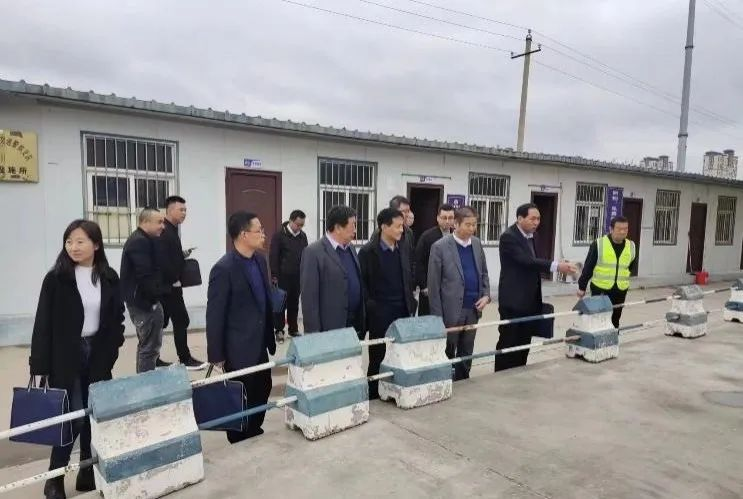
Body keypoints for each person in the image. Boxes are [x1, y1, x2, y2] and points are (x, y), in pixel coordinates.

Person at [30, 220, 125, 498]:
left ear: (96, 244)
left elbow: (117, 316)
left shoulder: (109, 276)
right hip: (65, 355)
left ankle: (87, 471)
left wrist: (113, 347)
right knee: (71, 418)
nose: (73, 247)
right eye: (69, 241)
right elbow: (42, 323)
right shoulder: (56, 279)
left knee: (93, 416)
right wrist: (39, 365)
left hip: (98, 353)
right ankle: (54, 478)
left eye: (80, 241)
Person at [206, 211, 276, 443]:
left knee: (263, 387)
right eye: (259, 230)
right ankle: (238, 439)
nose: (263, 234)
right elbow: (215, 315)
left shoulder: (260, 260)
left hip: (260, 342)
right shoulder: (224, 268)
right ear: (244, 235)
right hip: (238, 347)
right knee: (239, 396)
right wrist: (216, 354)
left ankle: (254, 431)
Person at [495, 203, 577, 371]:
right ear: (520, 218)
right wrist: (556, 266)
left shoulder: (534, 236)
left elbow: (536, 262)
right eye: (532, 219)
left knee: (525, 340)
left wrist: (559, 263)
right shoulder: (508, 237)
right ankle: (502, 375)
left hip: (531, 299)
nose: (536, 222)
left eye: (538, 219)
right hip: (513, 300)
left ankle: (519, 372)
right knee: (509, 340)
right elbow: (527, 261)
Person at [358, 208, 416, 399]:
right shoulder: (368, 252)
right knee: (378, 356)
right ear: (384, 227)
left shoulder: (403, 249)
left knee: (399, 355)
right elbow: (362, 285)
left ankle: (395, 390)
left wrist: (411, 302)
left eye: (402, 226)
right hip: (379, 314)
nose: (402, 230)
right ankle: (373, 394)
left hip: (402, 310)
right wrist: (372, 307)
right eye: (398, 226)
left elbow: (408, 277)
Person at [428, 206, 490, 381]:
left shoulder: (476, 244)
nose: (472, 229)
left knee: (467, 351)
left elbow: (484, 273)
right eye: (468, 225)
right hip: (451, 311)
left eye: (474, 225)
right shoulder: (440, 247)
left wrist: (486, 295)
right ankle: (444, 383)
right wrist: (438, 318)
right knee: (447, 351)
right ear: (456, 224)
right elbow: (433, 286)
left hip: (473, 309)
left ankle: (463, 381)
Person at [300, 205, 365, 336]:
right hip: (330, 328)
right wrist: (313, 335)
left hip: (354, 325)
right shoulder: (313, 252)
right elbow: (309, 299)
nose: (355, 229)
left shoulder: (351, 248)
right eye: (352, 225)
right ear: (338, 227)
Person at [158, 195, 206, 370]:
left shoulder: (172, 229)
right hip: (169, 287)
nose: (184, 213)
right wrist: (174, 280)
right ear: (170, 210)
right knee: (180, 320)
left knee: (164, 322)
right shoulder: (164, 231)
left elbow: (170, 255)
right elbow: (163, 260)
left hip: (170, 286)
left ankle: (155, 358)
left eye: (185, 210)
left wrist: (182, 254)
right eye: (181, 210)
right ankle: (184, 359)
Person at [120, 207, 167, 373]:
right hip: (144, 304)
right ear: (145, 222)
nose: (163, 226)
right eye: (159, 222)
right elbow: (145, 276)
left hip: (145, 302)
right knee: (149, 349)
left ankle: (145, 380)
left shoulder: (145, 239)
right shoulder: (139, 242)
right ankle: (146, 384)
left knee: (148, 347)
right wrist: (154, 300)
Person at [577, 216, 636, 328]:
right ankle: (599, 339)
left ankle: (613, 338)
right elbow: (588, 267)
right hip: (601, 289)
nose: (623, 232)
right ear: (611, 229)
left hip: (620, 290)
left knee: (615, 319)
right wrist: (582, 287)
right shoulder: (599, 244)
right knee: (599, 319)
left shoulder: (631, 246)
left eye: (625, 229)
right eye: (619, 229)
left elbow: (630, 266)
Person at [269, 209, 308, 342]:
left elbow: (306, 255)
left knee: (294, 303)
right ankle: (279, 330)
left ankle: (293, 329)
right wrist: (274, 275)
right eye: (298, 224)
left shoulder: (302, 236)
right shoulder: (279, 235)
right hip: (282, 277)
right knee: (280, 304)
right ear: (291, 221)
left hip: (297, 277)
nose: (300, 227)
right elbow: (273, 256)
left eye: (302, 225)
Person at [415, 204, 455, 316]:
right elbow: (418, 262)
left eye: (450, 218)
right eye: (444, 218)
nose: (447, 221)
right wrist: (424, 286)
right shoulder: (427, 237)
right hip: (430, 289)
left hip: (449, 290)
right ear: (438, 218)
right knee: (429, 321)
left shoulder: (456, 237)